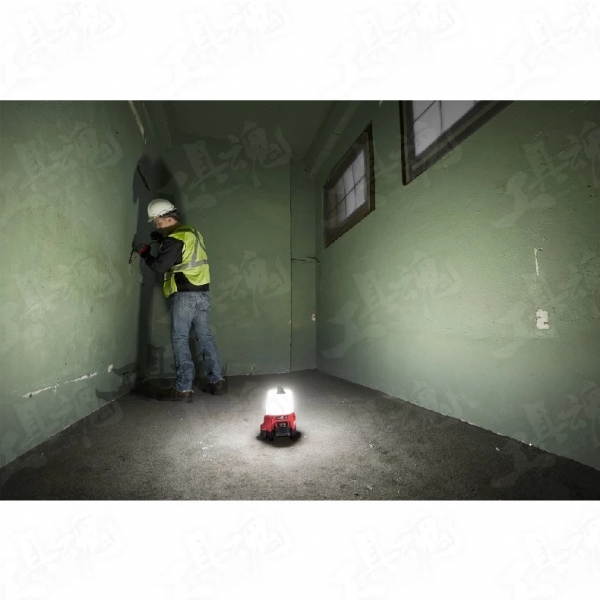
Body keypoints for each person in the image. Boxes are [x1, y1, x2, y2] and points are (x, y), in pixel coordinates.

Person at [138, 198, 227, 400]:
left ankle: (183, 388)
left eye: (158, 222)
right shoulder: (192, 233)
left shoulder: (175, 239)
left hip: (185, 295)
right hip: (203, 294)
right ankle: (217, 381)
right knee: (205, 337)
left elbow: (160, 266)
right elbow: (182, 255)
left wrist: (145, 254)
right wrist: (162, 239)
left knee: (180, 338)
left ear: (168, 218)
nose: (157, 225)